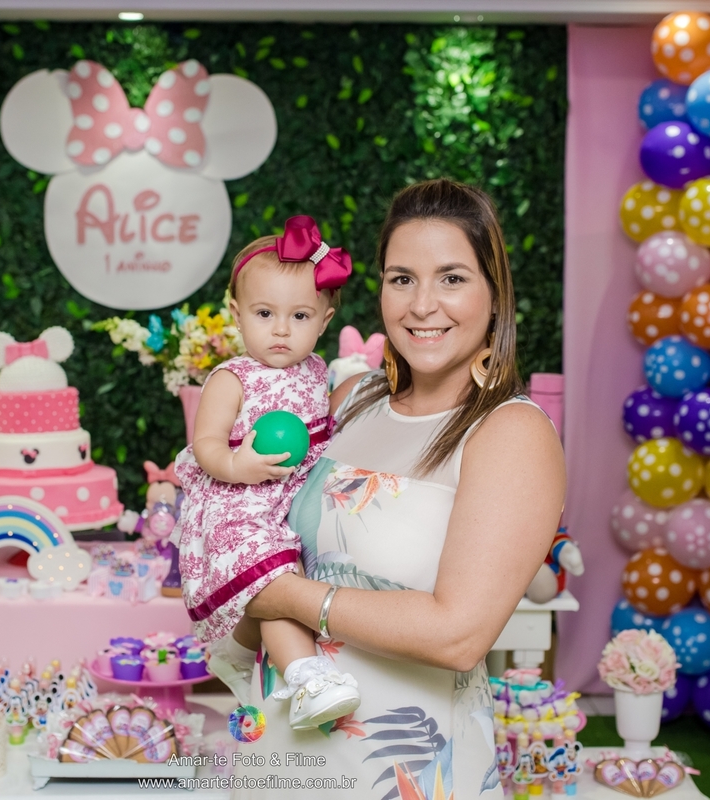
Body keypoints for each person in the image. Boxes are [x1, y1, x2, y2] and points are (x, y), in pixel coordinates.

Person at [233, 178, 566, 799]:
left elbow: (458, 634)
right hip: (280, 756)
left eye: (452, 278)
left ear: (495, 295)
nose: (421, 305)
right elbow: (258, 579)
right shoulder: (349, 401)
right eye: (402, 278)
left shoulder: (510, 432)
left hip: (403, 769)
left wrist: (286, 594)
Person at [174, 215, 363, 730]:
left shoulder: (317, 372)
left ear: (324, 322)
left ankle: (249, 655)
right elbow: (205, 443)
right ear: (236, 315)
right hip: (236, 506)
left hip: (287, 505)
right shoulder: (232, 378)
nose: (281, 329)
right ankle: (306, 676)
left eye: (300, 316)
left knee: (294, 577)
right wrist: (238, 464)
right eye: (264, 313)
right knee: (276, 579)